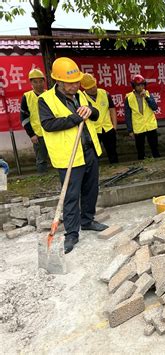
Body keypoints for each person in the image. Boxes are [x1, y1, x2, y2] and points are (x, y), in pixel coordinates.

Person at [38, 57, 108, 254]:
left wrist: (90, 110)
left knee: (91, 190)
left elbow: (94, 115)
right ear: (58, 81)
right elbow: (48, 125)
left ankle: (87, 221)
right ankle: (71, 233)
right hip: (68, 156)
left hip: (88, 151)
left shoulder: (80, 95)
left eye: (77, 81)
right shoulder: (45, 100)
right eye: (70, 83)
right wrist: (76, 117)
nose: (75, 86)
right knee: (70, 196)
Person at [81, 73, 119, 164]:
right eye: (89, 88)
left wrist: (115, 126)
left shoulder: (104, 93)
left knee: (112, 151)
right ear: (84, 88)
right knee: (94, 153)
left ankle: (115, 167)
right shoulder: (81, 97)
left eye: (94, 86)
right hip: (93, 130)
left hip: (108, 128)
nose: (93, 89)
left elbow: (112, 109)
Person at [19, 68, 49, 173]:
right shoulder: (27, 97)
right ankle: (43, 178)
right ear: (31, 82)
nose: (39, 84)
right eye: (35, 82)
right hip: (38, 134)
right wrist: (31, 134)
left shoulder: (50, 95)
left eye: (41, 81)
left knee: (59, 155)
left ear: (44, 81)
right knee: (41, 159)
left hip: (52, 131)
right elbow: (24, 118)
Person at [124, 74, 160, 160]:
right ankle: (141, 162)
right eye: (138, 85)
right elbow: (127, 115)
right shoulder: (128, 97)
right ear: (134, 86)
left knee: (154, 147)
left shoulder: (147, 94)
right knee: (140, 149)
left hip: (150, 125)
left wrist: (147, 98)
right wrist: (130, 130)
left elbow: (155, 107)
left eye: (142, 85)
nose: (140, 87)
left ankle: (158, 161)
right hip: (138, 127)